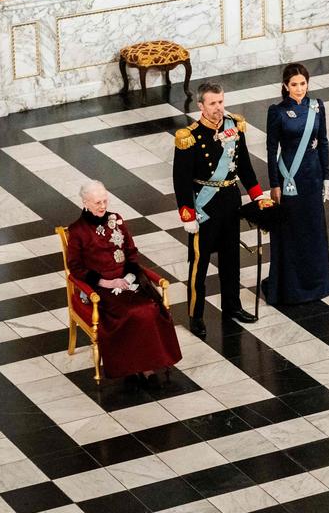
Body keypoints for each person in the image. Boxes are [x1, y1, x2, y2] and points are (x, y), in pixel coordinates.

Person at [173, 82, 270, 338]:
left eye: (221, 102)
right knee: (199, 264)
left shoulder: (234, 127)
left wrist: (258, 196)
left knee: (231, 259)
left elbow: (245, 166)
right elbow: (180, 181)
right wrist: (188, 216)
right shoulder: (189, 137)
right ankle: (196, 315)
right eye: (213, 103)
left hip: (230, 200)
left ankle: (232, 306)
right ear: (201, 106)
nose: (218, 108)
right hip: (204, 207)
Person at [65, 181, 181, 387]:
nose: (102, 206)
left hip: (127, 280)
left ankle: (149, 364)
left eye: (105, 201)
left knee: (151, 307)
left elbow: (131, 251)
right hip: (101, 288)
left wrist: (129, 276)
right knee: (132, 313)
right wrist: (106, 282)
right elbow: (75, 268)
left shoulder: (116, 220)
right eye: (97, 202)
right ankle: (131, 367)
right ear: (85, 203)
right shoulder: (77, 230)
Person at [262, 64, 329, 304]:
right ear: (285, 86)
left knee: (313, 231)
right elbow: (271, 149)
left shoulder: (317, 106)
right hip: (289, 180)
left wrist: (327, 177)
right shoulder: (277, 111)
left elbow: (323, 142)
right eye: (294, 84)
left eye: (303, 84)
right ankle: (290, 288)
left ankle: (316, 285)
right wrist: (274, 185)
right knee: (292, 232)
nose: (299, 89)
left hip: (312, 178)